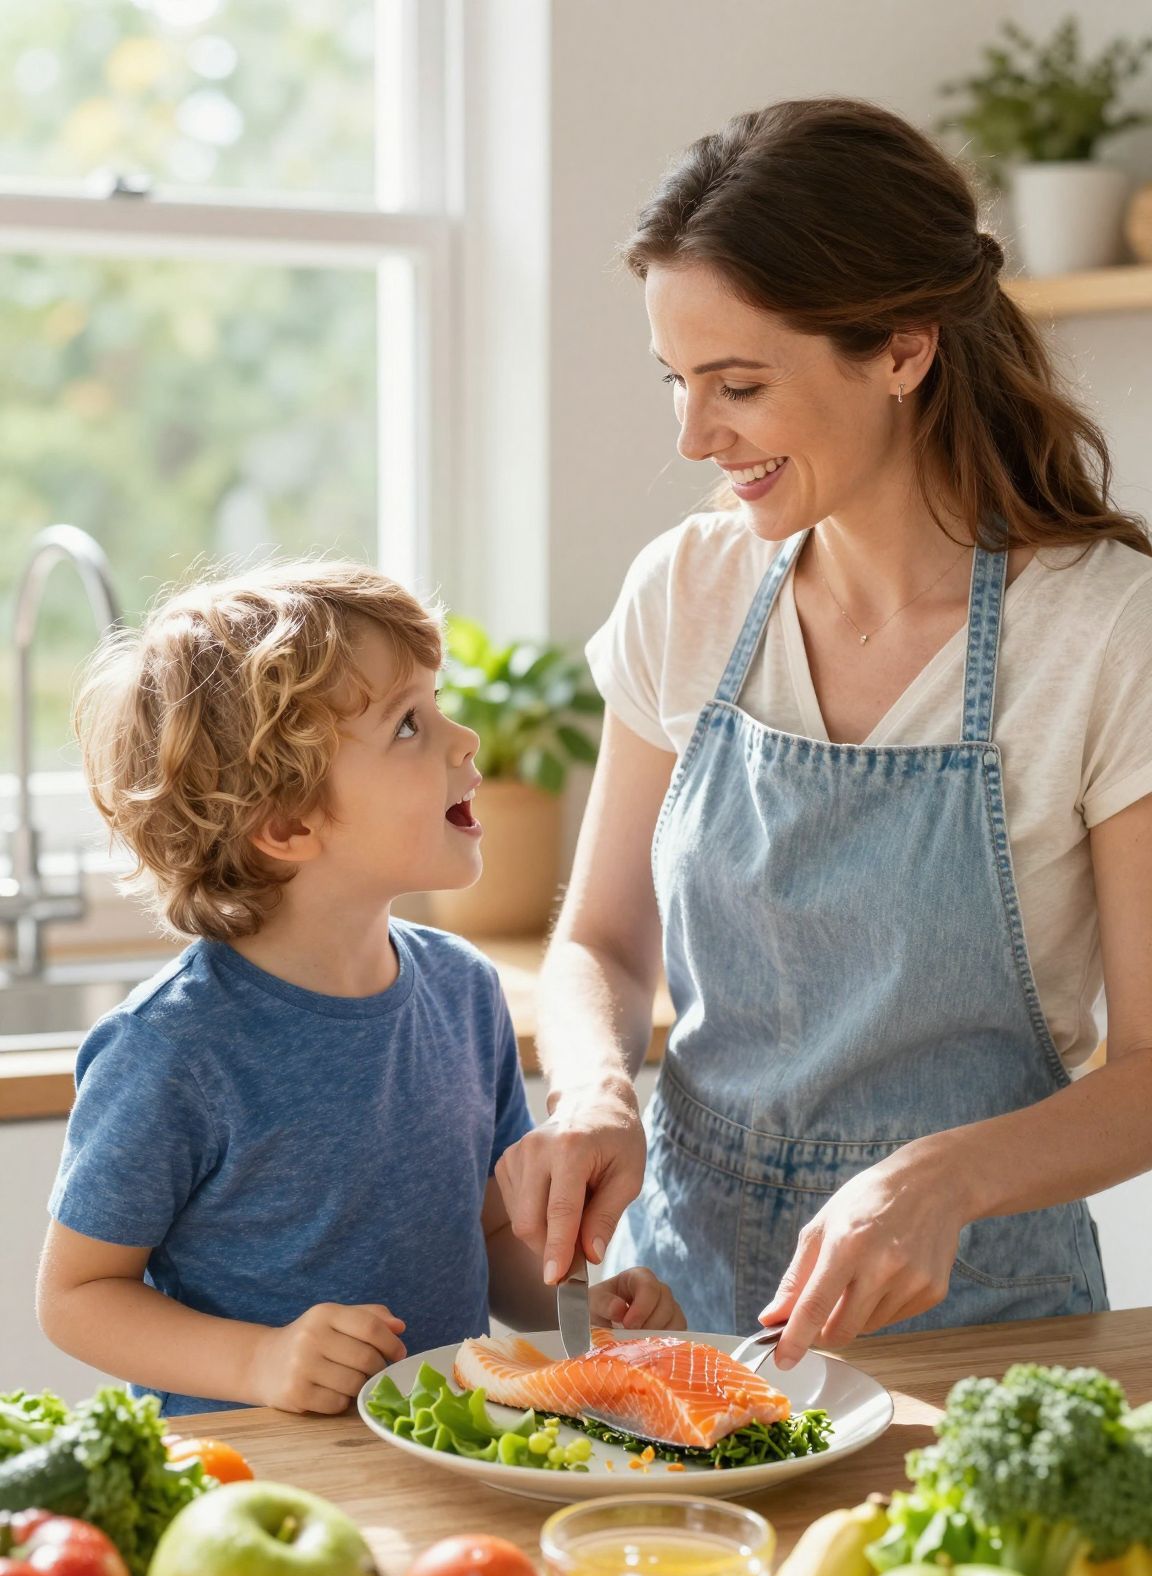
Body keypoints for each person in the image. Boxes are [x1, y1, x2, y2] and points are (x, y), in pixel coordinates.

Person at [496, 98, 1152, 1372]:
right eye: (679, 384)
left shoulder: (1103, 634)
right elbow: (600, 939)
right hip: (685, 1308)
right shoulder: (686, 590)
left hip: (983, 1331)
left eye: (739, 386)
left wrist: (943, 1179)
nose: (695, 437)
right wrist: (593, 1088)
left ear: (903, 349)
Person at [37, 563, 682, 1418]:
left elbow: (487, 1234)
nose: (465, 741)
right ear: (288, 824)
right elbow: (77, 1296)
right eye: (409, 725)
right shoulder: (172, 1049)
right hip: (255, 1484)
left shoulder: (463, 992)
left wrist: (582, 1316)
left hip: (441, 1460)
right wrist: (261, 1361)